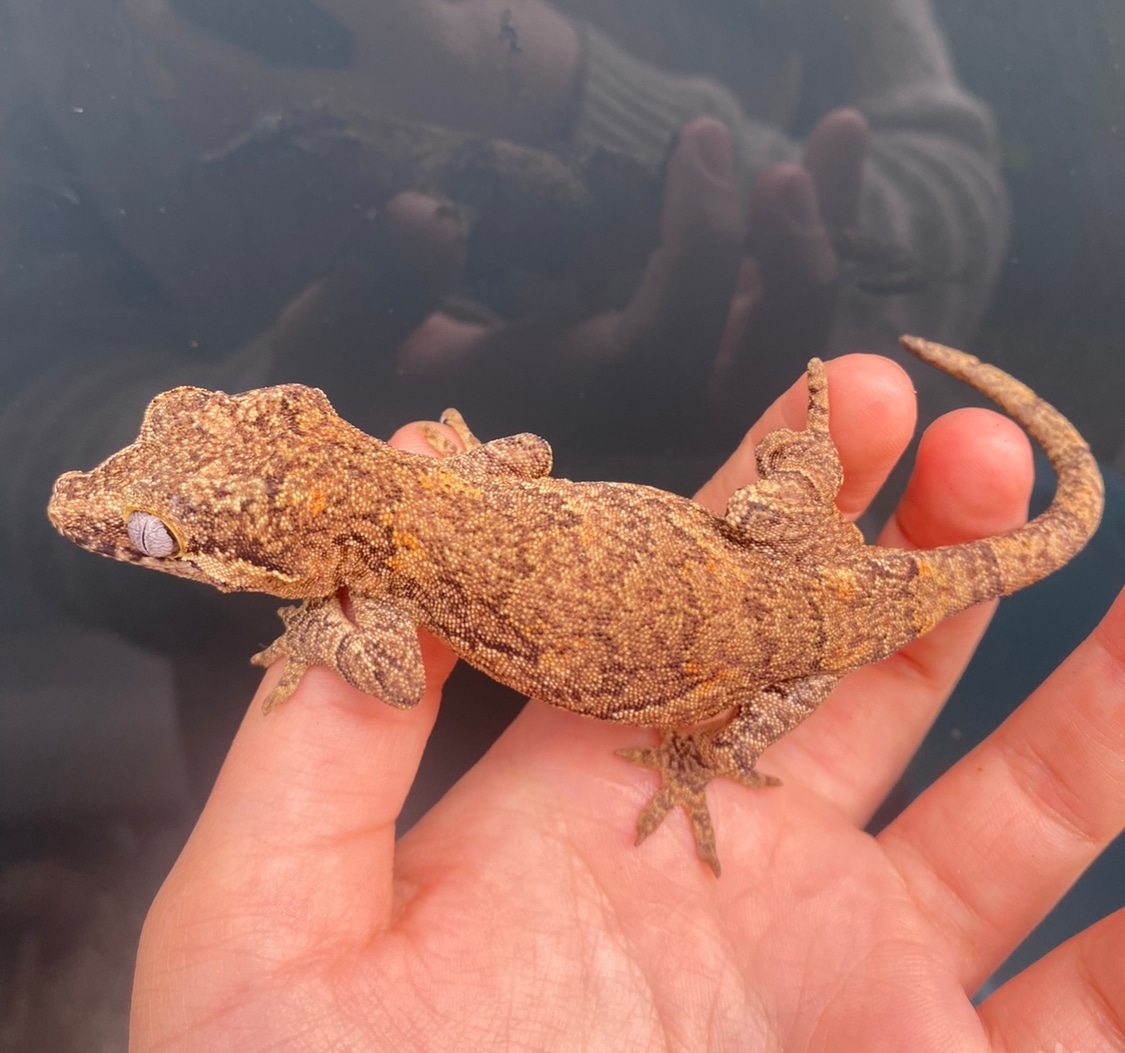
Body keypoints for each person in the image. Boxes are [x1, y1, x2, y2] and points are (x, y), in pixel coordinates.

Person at [129, 352, 1125, 1052]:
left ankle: (701, 751)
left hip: (790, 650)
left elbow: (389, 676)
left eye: (157, 540)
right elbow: (526, 449)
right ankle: (730, 682)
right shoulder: (454, 490)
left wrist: (316, 625)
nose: (136, 541)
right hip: (794, 580)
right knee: (764, 531)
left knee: (728, 705)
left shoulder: (388, 580)